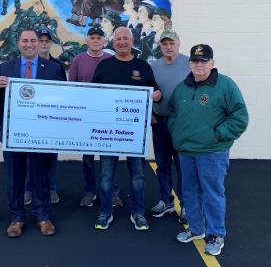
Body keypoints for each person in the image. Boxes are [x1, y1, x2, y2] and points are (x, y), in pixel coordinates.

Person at [169, 44, 249, 256]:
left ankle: (216, 234)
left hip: (212, 152)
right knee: (189, 192)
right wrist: (177, 132)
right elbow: (173, 113)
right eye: (195, 61)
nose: (199, 65)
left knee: (213, 193)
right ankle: (196, 229)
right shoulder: (182, 88)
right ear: (190, 63)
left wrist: (217, 135)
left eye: (204, 61)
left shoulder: (225, 86)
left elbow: (239, 117)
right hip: (186, 151)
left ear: (212, 63)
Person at [0, 27, 65, 237]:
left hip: (41, 132)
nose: (30, 44)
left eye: (33, 40)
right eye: (25, 41)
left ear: (39, 43)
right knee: (15, 176)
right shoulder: (4, 68)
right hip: (14, 134)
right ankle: (17, 218)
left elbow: (63, 100)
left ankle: (42, 216)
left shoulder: (53, 69)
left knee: (40, 175)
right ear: (18, 43)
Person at [92, 27, 161, 231]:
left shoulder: (143, 66)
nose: (122, 42)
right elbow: (92, 95)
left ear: (132, 41)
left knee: (138, 175)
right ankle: (105, 212)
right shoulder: (104, 66)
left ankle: (138, 213)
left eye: (125, 38)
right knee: (106, 175)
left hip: (134, 133)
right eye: (118, 38)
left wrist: (157, 96)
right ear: (113, 42)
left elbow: (155, 91)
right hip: (108, 132)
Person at [68, 26, 123, 208]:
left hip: (107, 116)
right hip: (85, 117)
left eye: (99, 37)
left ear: (104, 41)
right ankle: (90, 191)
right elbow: (72, 88)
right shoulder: (78, 60)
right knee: (88, 158)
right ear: (87, 40)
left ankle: (113, 192)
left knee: (110, 155)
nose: (96, 40)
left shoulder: (111, 59)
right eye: (92, 37)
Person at [149, 30, 190, 220]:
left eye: (171, 43)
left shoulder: (189, 64)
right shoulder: (154, 65)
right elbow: (147, 91)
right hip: (160, 122)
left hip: (180, 124)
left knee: (182, 165)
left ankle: (185, 204)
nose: (168, 47)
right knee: (162, 164)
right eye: (164, 44)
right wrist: (151, 114)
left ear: (178, 44)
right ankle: (166, 200)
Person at [24, 28, 66, 206]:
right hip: (31, 119)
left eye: (46, 41)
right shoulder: (26, 64)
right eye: (40, 40)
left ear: (50, 43)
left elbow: (64, 92)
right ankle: (28, 189)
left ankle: (51, 187)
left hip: (51, 120)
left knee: (51, 156)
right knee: (29, 156)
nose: (43, 43)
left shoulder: (57, 66)